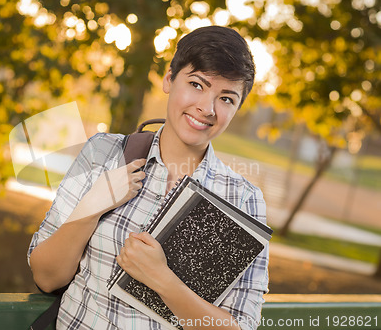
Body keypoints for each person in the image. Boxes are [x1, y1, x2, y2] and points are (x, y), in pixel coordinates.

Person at [28, 25, 268, 330]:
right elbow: (47, 277)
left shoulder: (243, 199)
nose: (207, 108)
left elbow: (241, 326)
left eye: (226, 99)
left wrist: (163, 281)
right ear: (169, 79)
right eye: (197, 84)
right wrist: (91, 207)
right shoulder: (103, 153)